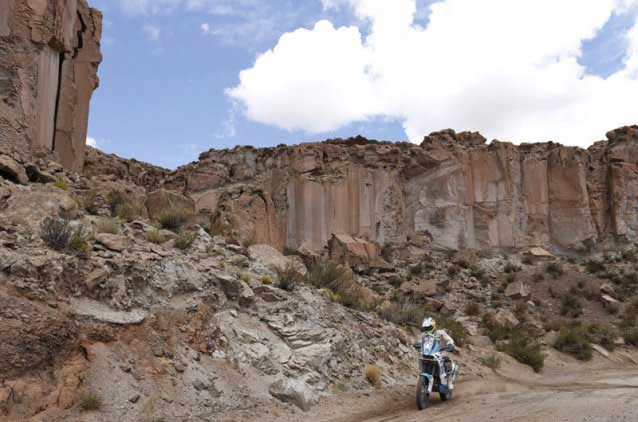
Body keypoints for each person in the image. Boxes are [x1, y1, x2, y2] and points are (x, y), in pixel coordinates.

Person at [421, 317, 457, 384]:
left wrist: (450, 344)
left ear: (433, 326)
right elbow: (421, 342)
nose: (427, 330)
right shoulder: (424, 335)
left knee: (446, 360)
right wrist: (417, 344)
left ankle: (449, 380)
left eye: (428, 328)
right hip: (429, 353)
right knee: (422, 360)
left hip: (440, 352)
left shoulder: (440, 333)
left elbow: (449, 339)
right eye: (425, 328)